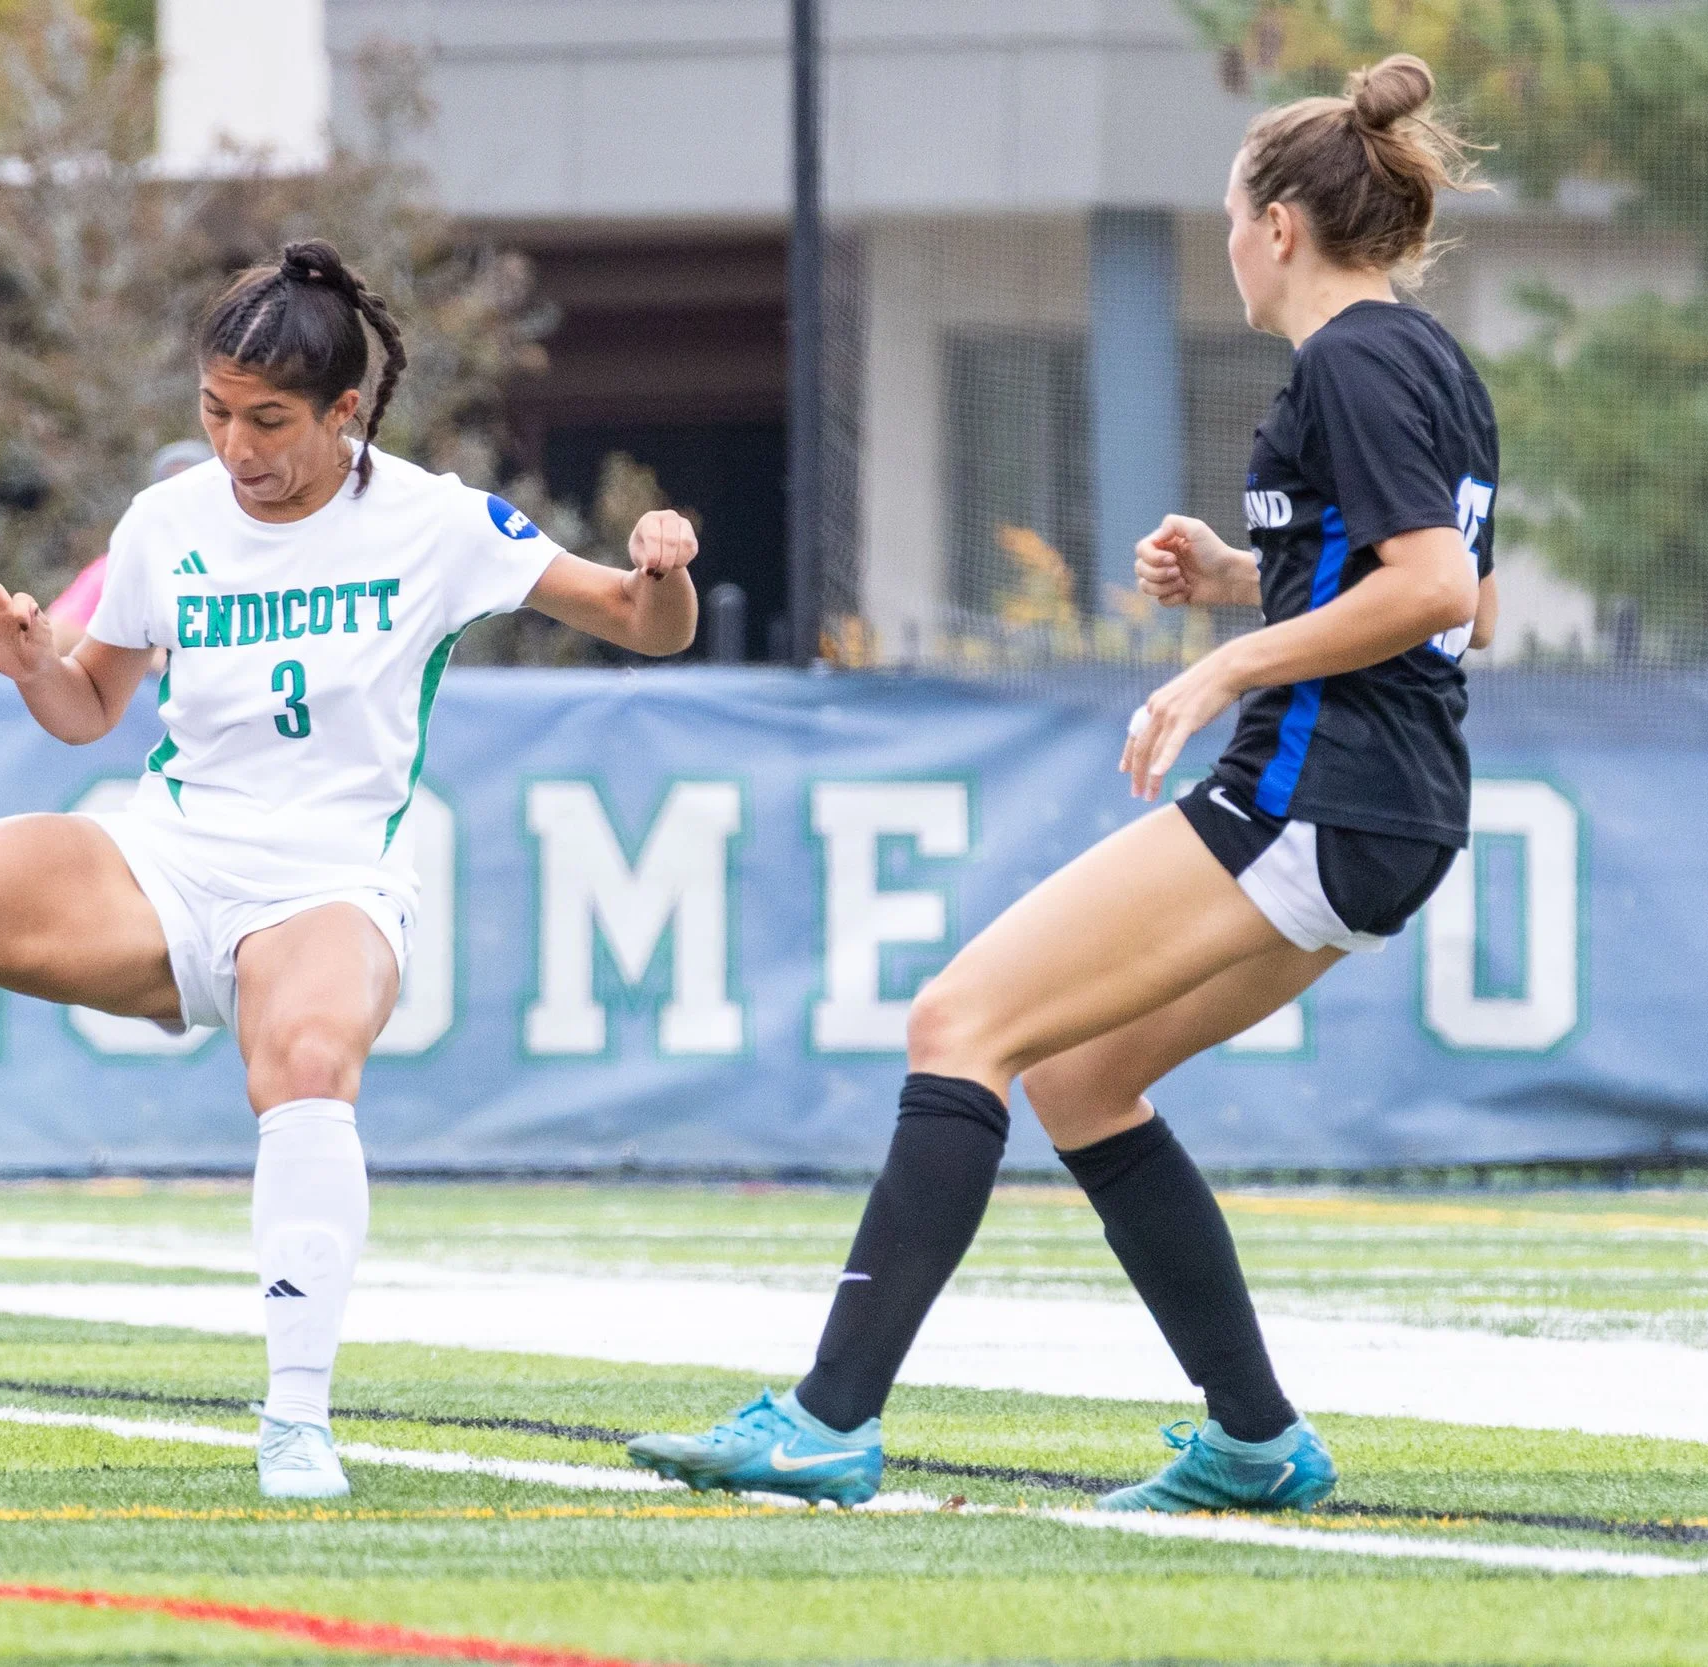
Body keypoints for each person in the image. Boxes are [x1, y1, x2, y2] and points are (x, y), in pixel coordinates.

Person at [0, 239, 701, 1500]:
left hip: (327, 882)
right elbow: (93, 705)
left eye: (268, 421)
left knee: (305, 1061)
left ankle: (296, 1420)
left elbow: (646, 628)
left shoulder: (436, 520)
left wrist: (664, 568)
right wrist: (40, 662)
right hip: (169, 853)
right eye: (214, 412)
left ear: (346, 412)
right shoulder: (169, 518)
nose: (237, 447)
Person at [627, 53, 1495, 1513]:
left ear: (1279, 223)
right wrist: (1242, 579)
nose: (1223, 241)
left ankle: (830, 1416)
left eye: (1228, 213)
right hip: (1385, 805)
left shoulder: (1348, 359)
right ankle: (1257, 1437)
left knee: (960, 1017)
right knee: (1085, 1078)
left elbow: (1434, 585)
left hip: (1318, 787)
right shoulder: (1426, 359)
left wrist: (1222, 668)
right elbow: (1438, 595)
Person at [50, 440, 214, 656]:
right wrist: (145, 651)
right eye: (168, 483)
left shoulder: (244, 560)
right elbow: (55, 634)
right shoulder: (125, 562)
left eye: (192, 481)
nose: (181, 495)